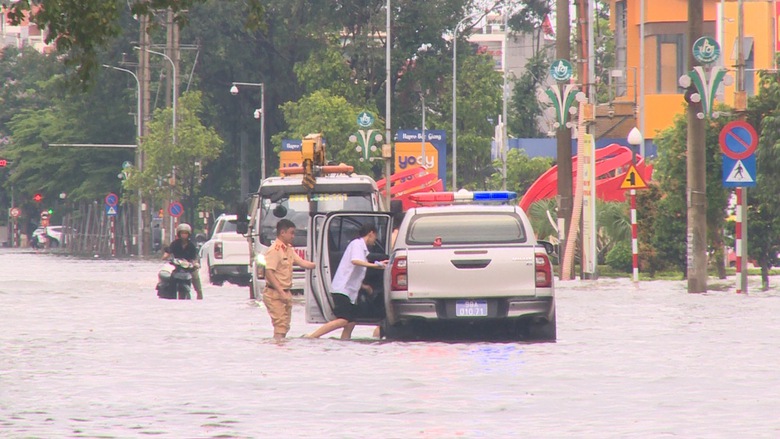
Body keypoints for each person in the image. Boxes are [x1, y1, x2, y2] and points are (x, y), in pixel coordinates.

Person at [305, 223, 387, 340]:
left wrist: (364, 286)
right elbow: (355, 261)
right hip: (342, 290)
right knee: (343, 320)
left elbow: (354, 272)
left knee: (351, 323)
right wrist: (375, 266)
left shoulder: (362, 249)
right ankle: (312, 336)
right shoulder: (357, 245)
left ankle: (344, 344)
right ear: (371, 233)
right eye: (375, 236)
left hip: (349, 291)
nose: (375, 240)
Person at [263, 219, 316, 340]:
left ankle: (281, 349)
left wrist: (320, 265)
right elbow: (269, 272)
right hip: (275, 293)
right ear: (282, 233)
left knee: (285, 326)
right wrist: (281, 292)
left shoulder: (288, 249)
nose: (293, 236)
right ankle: (278, 350)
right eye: (291, 233)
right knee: (280, 325)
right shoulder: (274, 250)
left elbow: (302, 263)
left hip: (285, 292)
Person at [162, 223, 203, 300]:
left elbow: (195, 257)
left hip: (188, 266)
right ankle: (170, 293)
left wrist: (195, 264)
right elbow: (168, 252)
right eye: (182, 233)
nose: (184, 235)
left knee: (195, 276)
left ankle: (199, 294)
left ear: (189, 234)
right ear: (179, 234)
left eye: (186, 233)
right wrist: (165, 256)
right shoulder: (175, 243)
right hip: (177, 266)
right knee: (169, 276)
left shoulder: (191, 245)